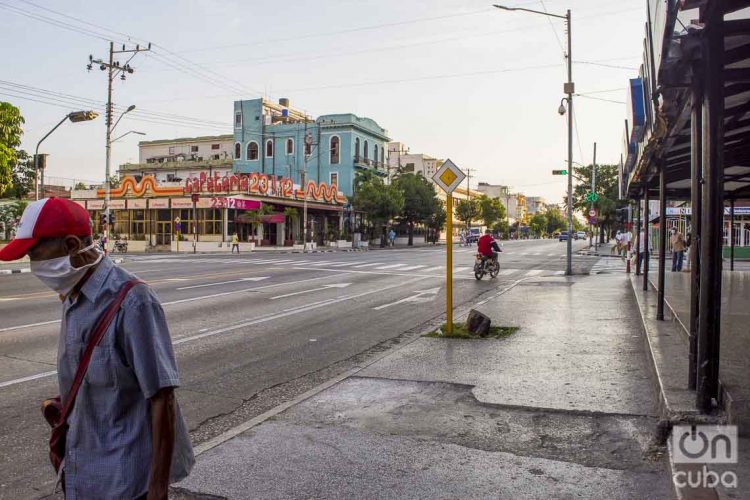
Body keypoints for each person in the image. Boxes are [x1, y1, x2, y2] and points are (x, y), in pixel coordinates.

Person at [0, 198, 194, 499]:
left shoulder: (134, 301)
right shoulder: (72, 295)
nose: (32, 263)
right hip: (81, 473)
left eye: (34, 253)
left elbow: (163, 398)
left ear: (72, 245)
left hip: (125, 481)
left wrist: (157, 489)